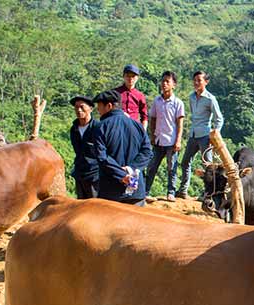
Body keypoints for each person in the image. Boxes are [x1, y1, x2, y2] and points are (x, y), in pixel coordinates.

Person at [93, 90, 153, 206]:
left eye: (99, 106)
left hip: (111, 193)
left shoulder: (100, 127)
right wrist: (131, 169)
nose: (98, 110)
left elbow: (102, 157)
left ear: (109, 106)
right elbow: (147, 152)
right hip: (136, 192)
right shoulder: (137, 126)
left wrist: (122, 175)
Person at [177, 71, 224, 202]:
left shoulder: (210, 99)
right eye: (195, 80)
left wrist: (215, 135)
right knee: (185, 161)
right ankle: (183, 190)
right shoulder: (191, 97)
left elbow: (219, 118)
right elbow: (193, 115)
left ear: (206, 82)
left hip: (205, 136)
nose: (196, 83)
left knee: (208, 167)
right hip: (193, 134)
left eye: (199, 80)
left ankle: (207, 194)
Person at [145, 71, 185, 202]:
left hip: (171, 141)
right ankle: (145, 191)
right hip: (158, 140)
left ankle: (171, 192)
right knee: (151, 167)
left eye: (168, 81)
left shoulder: (178, 103)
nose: (164, 84)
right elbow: (153, 119)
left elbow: (180, 124)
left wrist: (178, 140)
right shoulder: (157, 101)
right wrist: (152, 136)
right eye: (163, 81)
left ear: (174, 85)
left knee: (171, 168)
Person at [69, 95, 100, 200]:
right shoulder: (74, 129)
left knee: (94, 205)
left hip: (95, 175)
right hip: (79, 173)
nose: (79, 110)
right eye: (76, 107)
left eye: (82, 107)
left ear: (91, 109)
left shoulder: (98, 128)